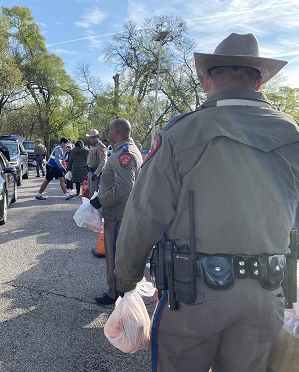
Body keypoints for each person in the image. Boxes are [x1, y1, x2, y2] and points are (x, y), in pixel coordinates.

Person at [114, 33, 299, 372]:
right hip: (267, 294)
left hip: (193, 298)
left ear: (207, 80)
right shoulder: (292, 135)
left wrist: (125, 282)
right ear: (258, 82)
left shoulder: (180, 134)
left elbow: (143, 218)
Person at [89, 119, 142, 305]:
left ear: (118, 132)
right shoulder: (126, 150)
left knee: (114, 256)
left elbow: (124, 187)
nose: (108, 133)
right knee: (119, 255)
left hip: (118, 214)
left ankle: (116, 293)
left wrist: (100, 200)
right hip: (121, 212)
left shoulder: (124, 154)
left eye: (110, 130)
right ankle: (119, 291)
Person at [86, 129, 107, 198]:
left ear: (98, 137)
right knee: (90, 194)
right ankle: (91, 208)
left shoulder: (101, 147)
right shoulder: (93, 146)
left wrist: (96, 174)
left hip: (96, 173)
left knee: (94, 195)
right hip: (90, 172)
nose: (92, 139)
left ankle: (95, 209)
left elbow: (103, 161)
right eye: (91, 138)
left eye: (94, 137)